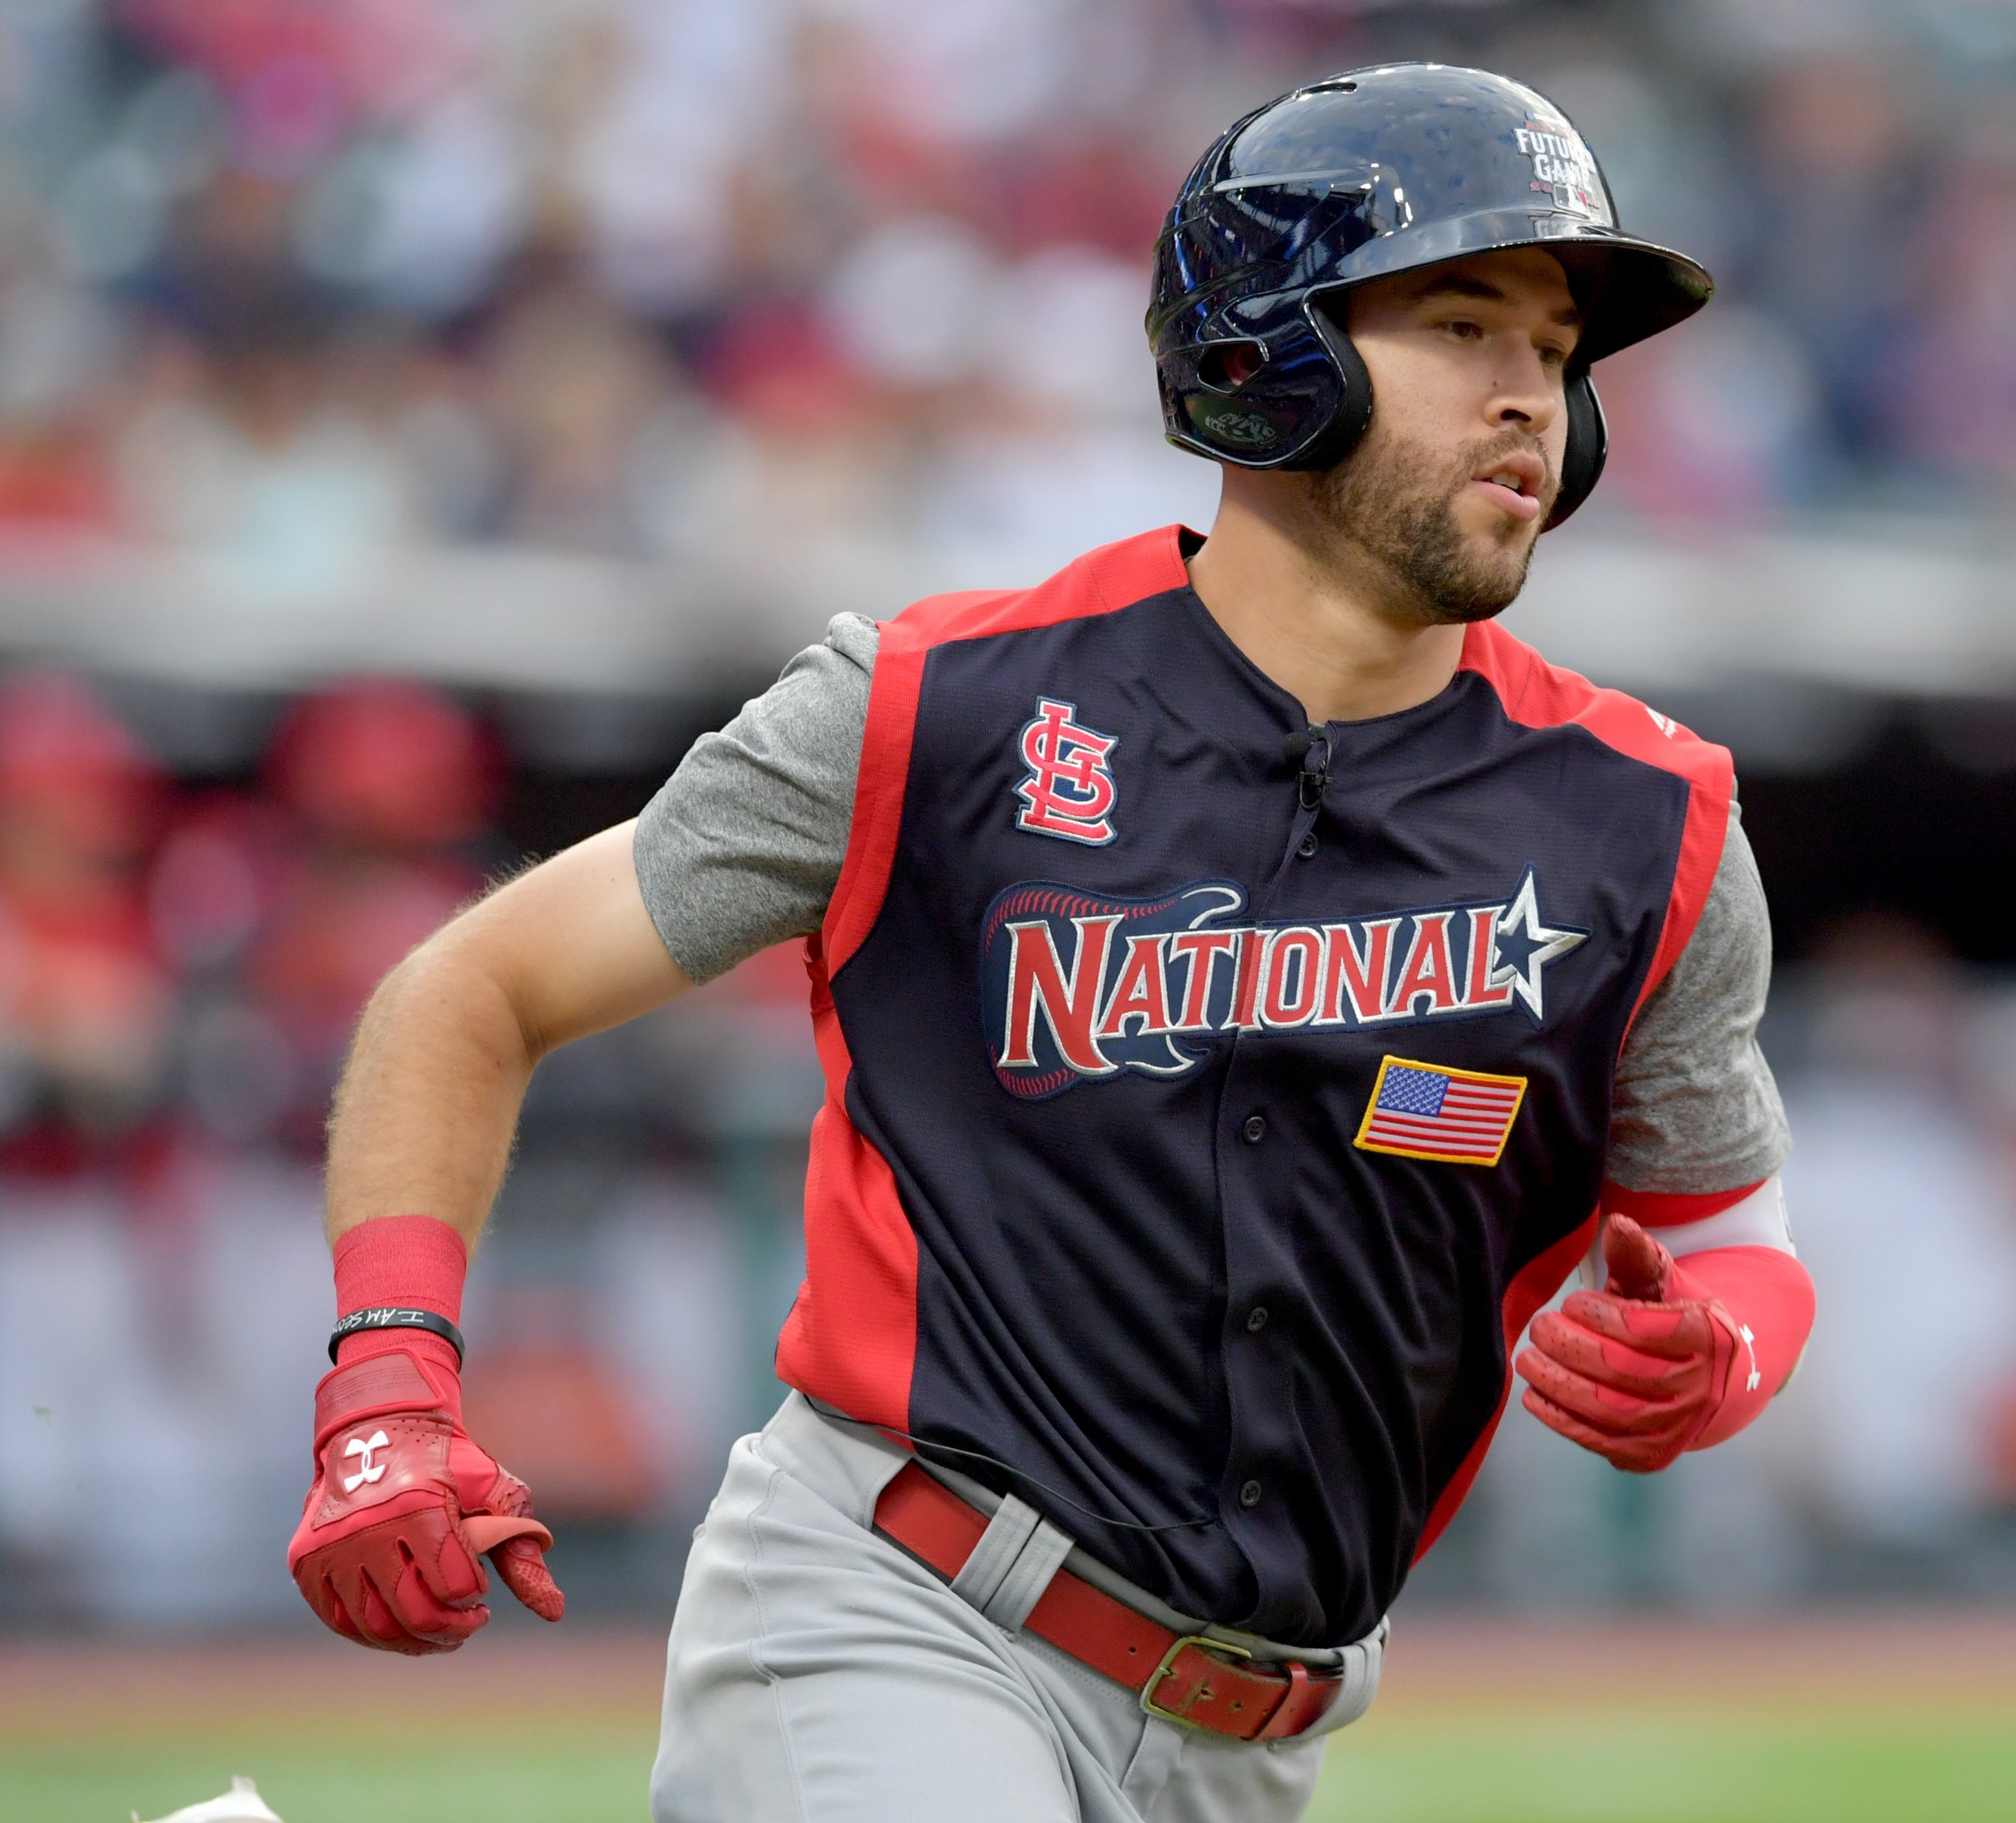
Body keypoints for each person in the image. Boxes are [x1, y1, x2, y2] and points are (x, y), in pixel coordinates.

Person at [284, 65, 1818, 1823]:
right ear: (1265, 348)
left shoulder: (1647, 819)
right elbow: (476, 982)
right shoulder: (938, 710)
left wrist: (1713, 1351)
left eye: (1552, 349)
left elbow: (1729, 1235)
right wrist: (389, 1364)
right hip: (894, 1610)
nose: (1525, 396)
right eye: (1462, 320)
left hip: (1258, 1738)